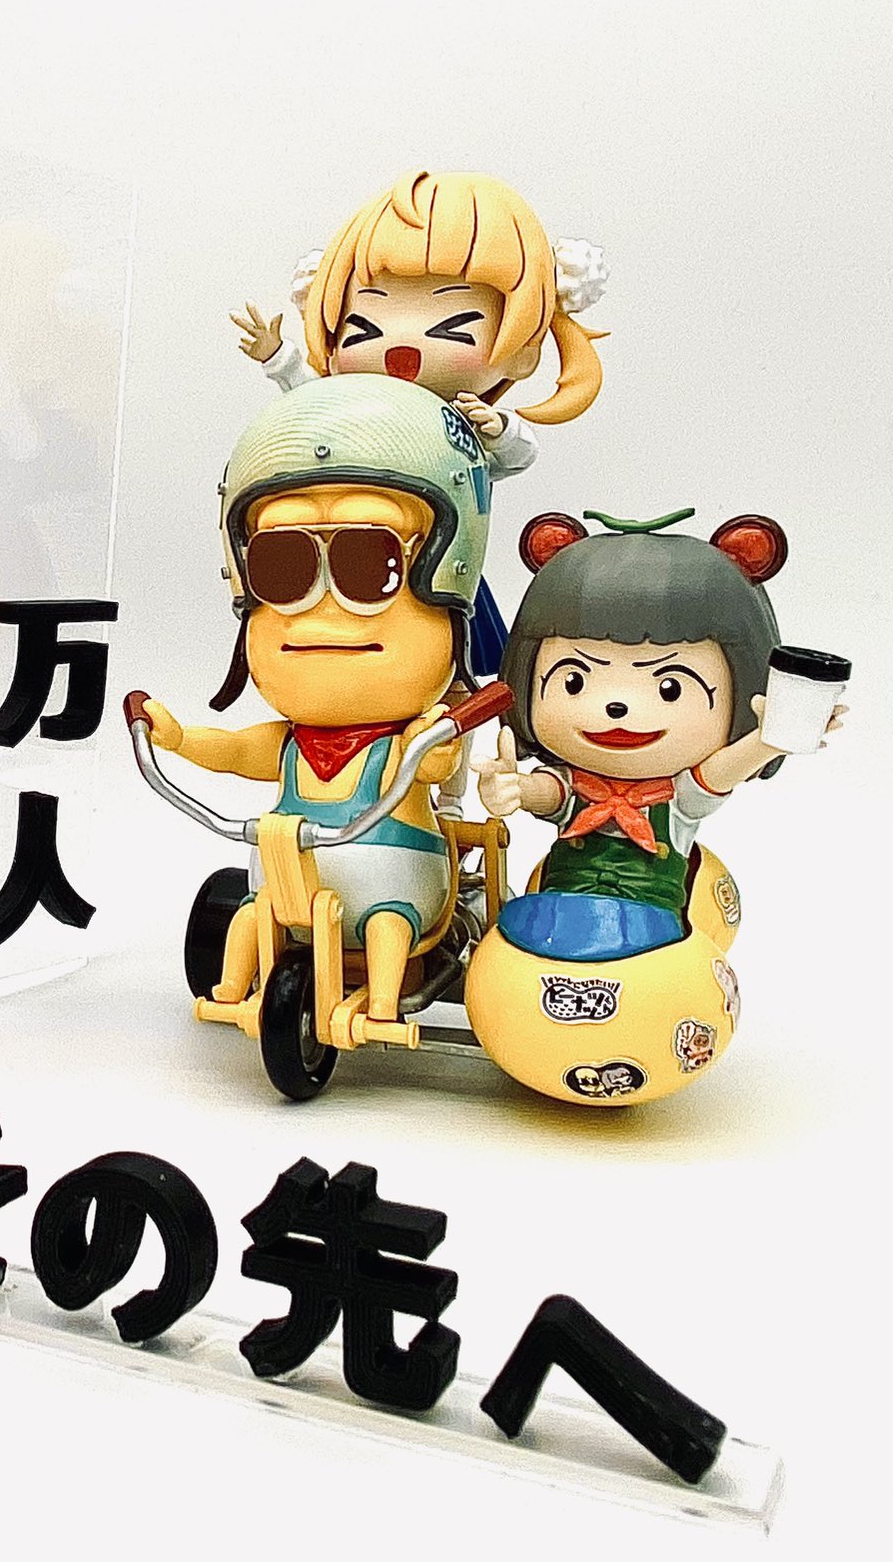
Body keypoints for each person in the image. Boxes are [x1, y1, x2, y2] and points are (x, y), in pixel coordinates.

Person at [140, 372, 488, 1024]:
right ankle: (227, 989)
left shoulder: (400, 743)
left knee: (388, 923)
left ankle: (383, 1002)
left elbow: (433, 763)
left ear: (445, 578)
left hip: (397, 884)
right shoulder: (290, 743)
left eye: (369, 562)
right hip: (286, 873)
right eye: (283, 565)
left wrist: (437, 740)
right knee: (252, 912)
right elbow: (235, 751)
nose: (323, 612)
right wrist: (178, 739)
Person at [229, 170, 607, 675]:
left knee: (448, 647)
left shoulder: (459, 422)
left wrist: (497, 430)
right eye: (364, 328)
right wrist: (279, 358)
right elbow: (311, 402)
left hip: (438, 564)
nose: (400, 342)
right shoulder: (349, 411)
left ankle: (455, 700)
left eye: (453, 328)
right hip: (345, 553)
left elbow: (517, 457)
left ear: (521, 351)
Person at [474, 509, 843, 961]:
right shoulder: (575, 785)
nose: (617, 707)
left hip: (652, 924)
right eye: (574, 680)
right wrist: (512, 789)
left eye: (670, 687)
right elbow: (549, 792)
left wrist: (769, 739)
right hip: (557, 914)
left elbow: (720, 772)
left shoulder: (679, 796)